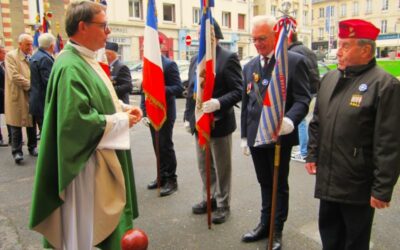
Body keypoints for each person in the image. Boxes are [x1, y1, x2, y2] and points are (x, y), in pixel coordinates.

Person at [29, 1, 142, 249]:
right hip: (84, 167)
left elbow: (98, 100)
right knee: (84, 231)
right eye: (104, 26)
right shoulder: (70, 65)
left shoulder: (84, 58)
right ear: (83, 26)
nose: (109, 32)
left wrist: (122, 109)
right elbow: (76, 121)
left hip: (94, 156)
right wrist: (122, 120)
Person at [306, 19, 400, 250]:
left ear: (366, 50)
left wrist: (382, 189)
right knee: (329, 236)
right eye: (339, 44)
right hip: (328, 179)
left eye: (346, 45)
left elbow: (389, 141)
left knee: (354, 242)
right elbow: (317, 122)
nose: (338, 51)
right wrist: (312, 154)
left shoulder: (384, 85)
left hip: (357, 183)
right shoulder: (329, 79)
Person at [240, 16, 311, 248]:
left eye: (262, 38)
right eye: (254, 40)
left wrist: (291, 119)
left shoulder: (293, 61)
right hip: (255, 136)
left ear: (275, 35)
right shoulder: (250, 66)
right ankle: (264, 224)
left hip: (279, 136)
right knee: (264, 182)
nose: (258, 44)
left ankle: (276, 229)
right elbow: (247, 102)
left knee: (278, 184)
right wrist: (243, 136)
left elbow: (303, 98)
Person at [184, 19, 242, 224]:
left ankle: (223, 203)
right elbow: (192, 90)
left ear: (215, 36)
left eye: (204, 33)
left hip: (219, 122)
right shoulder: (195, 59)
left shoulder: (228, 58)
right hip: (200, 123)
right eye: (198, 33)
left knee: (222, 167)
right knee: (204, 165)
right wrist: (187, 116)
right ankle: (208, 198)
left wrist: (219, 102)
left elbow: (238, 91)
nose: (200, 37)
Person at [140, 52, 183, 197]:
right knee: (157, 146)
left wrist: (159, 89)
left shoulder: (169, 65)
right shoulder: (147, 64)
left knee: (165, 146)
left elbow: (178, 88)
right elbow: (144, 90)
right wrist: (144, 111)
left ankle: (171, 179)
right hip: (152, 112)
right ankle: (161, 176)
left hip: (165, 113)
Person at [4, 33, 37, 163]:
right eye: (27, 44)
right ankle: (17, 152)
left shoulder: (32, 55)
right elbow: (14, 76)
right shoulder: (11, 56)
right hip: (17, 94)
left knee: (31, 123)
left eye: (31, 44)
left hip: (30, 95)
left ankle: (32, 147)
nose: (30, 46)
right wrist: (31, 85)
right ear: (20, 44)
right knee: (16, 124)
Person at [288, 31, 320, 163]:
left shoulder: (294, 53)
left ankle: (303, 152)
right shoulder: (307, 50)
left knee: (301, 122)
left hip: (305, 90)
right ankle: (304, 149)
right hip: (314, 89)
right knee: (306, 121)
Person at [29, 33, 55, 137]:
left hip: (37, 99)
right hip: (43, 100)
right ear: (52, 45)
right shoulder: (45, 58)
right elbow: (49, 82)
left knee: (44, 130)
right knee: (47, 132)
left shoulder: (36, 55)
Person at [0, 45, 10, 147]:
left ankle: (12, 137)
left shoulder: (6, 64)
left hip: (6, 95)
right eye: (3, 53)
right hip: (1, 93)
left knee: (9, 116)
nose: (5, 54)